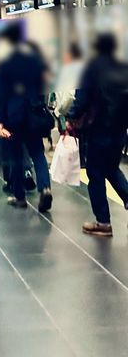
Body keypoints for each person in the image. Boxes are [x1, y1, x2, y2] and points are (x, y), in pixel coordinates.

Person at [67, 33, 128, 237]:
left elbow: (82, 98)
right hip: (120, 129)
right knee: (111, 168)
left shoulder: (92, 68)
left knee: (95, 172)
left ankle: (103, 222)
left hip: (98, 128)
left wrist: (72, 116)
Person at [0, 23, 53, 213]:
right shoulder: (35, 59)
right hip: (33, 114)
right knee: (37, 153)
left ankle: (19, 197)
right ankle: (44, 187)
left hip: (13, 116)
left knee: (16, 157)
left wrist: (0, 119)